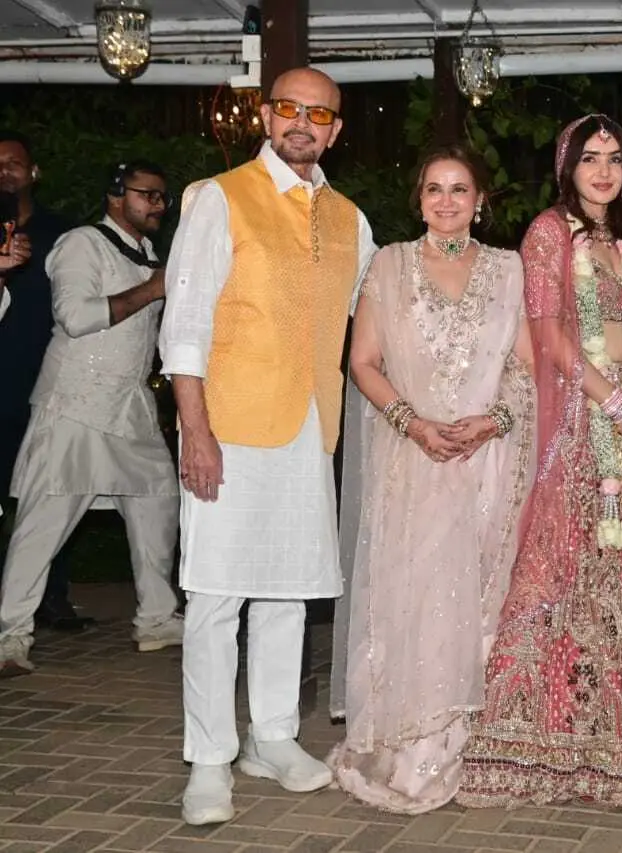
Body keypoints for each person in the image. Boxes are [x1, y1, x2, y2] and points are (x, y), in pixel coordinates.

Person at [458, 114, 622, 809]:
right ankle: (549, 734)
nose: (603, 171)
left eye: (614, 158)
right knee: (566, 570)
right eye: (589, 159)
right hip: (579, 425)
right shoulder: (551, 233)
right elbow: (546, 333)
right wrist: (611, 401)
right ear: (566, 167)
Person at [158, 67, 376, 826]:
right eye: (289, 108)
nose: (302, 123)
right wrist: (196, 430)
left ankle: (273, 736)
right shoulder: (217, 198)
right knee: (216, 596)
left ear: (336, 129)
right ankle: (211, 757)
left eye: (319, 114)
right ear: (265, 113)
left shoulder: (353, 218)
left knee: (287, 592)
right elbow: (183, 325)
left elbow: (372, 326)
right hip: (229, 429)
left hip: (309, 429)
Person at [326, 148, 537, 813]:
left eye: (460, 189)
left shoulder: (509, 269)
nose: (447, 201)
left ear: (481, 200)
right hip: (413, 460)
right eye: (434, 190)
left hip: (488, 461)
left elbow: (527, 368)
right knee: (416, 595)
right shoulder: (388, 265)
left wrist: (494, 420)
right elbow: (362, 362)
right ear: (417, 199)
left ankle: (477, 743)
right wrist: (412, 423)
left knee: (483, 598)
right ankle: (417, 745)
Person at [0, 161, 183, 678]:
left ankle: (156, 618)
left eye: (162, 198)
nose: (157, 206)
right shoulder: (82, 244)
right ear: (116, 196)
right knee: (44, 524)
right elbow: (75, 318)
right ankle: (8, 634)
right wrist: (153, 289)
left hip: (130, 407)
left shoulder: (146, 253)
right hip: (74, 404)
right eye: (148, 195)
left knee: (157, 504)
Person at [0, 131, 93, 634]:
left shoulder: (64, 234)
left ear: (33, 172)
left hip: (46, 386)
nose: (5, 172)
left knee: (48, 494)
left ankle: (50, 597)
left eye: (14, 163)